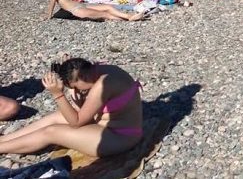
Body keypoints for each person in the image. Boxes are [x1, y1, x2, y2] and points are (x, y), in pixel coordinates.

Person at [0, 57, 143, 156]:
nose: (80, 91)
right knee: (57, 116)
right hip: (104, 124)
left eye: (77, 87)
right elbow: (83, 107)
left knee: (52, 132)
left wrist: (58, 94)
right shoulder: (99, 69)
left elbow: (76, 122)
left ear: (84, 77)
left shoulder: (103, 86)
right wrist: (72, 87)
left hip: (120, 136)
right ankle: (4, 139)